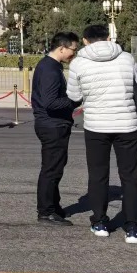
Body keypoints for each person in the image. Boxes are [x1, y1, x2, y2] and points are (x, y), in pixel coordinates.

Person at [66, 24, 137, 244]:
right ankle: (133, 227)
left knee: (98, 175)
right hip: (127, 124)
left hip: (96, 126)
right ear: (109, 38)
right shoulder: (127, 58)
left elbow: (74, 96)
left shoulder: (78, 63)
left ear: (85, 40)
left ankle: (100, 222)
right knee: (130, 177)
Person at [30, 33, 81, 225]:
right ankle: (46, 212)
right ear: (61, 48)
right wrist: (75, 101)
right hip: (53, 125)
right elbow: (51, 102)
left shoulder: (50, 66)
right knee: (51, 170)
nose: (74, 54)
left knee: (55, 168)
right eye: (73, 50)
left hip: (52, 124)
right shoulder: (50, 69)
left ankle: (54, 206)